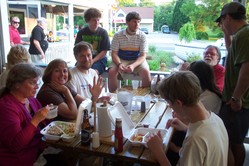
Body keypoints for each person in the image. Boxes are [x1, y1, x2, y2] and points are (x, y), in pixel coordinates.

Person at [147, 71, 228, 166]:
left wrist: (159, 152)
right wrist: (186, 128)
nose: (170, 106)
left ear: (178, 103)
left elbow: (198, 140)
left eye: (169, 102)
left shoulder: (195, 140)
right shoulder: (216, 119)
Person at [215, 2, 249, 166]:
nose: (222, 24)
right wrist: (225, 34)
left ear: (228, 17)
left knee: (234, 142)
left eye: (222, 21)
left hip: (237, 103)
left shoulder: (245, 35)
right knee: (229, 139)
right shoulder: (241, 35)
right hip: (233, 100)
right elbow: (233, 53)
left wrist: (236, 98)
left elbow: (247, 68)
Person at [0, 63, 49, 166]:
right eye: (32, 83)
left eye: (37, 82)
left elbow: (43, 126)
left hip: (37, 152)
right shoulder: (6, 107)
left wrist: (47, 115)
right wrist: (35, 120)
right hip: (18, 159)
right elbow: (16, 145)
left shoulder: (32, 100)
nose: (37, 87)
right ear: (17, 84)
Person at [36, 59, 103, 121]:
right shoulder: (47, 92)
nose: (62, 74)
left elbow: (86, 104)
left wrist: (94, 97)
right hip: (52, 132)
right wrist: (66, 91)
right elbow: (73, 114)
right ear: (49, 74)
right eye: (57, 71)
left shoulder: (62, 86)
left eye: (65, 71)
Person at [108, 11, 151, 92]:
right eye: (134, 21)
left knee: (145, 72)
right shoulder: (118, 35)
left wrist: (133, 66)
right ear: (127, 22)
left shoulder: (143, 36)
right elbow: (114, 53)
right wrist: (119, 64)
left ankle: (145, 96)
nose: (137, 24)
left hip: (137, 60)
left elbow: (143, 55)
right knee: (112, 72)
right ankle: (112, 96)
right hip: (121, 59)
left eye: (138, 22)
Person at [75, 8, 110, 75]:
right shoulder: (81, 32)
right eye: (94, 20)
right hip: (84, 58)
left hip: (99, 59)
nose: (96, 22)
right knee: (76, 72)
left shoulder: (103, 33)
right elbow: (77, 49)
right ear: (87, 20)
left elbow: (104, 52)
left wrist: (92, 60)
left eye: (98, 20)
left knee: (93, 73)